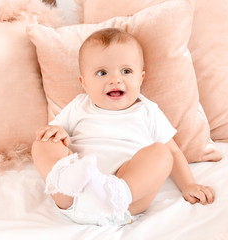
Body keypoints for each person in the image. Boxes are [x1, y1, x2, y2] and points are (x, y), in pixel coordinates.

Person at [31, 28, 215, 226]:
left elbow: (174, 151)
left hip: (123, 202)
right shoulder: (79, 105)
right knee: (43, 142)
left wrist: (188, 184)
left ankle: (119, 191)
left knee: (162, 152)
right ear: (84, 83)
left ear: (141, 77)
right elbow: (57, 135)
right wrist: (58, 132)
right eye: (101, 73)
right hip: (74, 195)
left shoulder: (147, 110)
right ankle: (64, 179)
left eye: (126, 71)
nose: (115, 79)